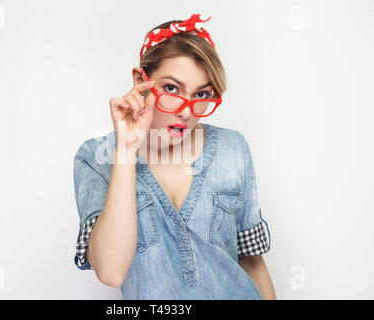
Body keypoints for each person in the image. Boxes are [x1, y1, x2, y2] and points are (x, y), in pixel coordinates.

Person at [73, 13, 276, 299]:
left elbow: (253, 262)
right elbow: (111, 271)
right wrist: (127, 150)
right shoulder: (97, 158)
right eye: (171, 88)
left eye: (201, 95)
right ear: (140, 81)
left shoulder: (233, 148)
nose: (185, 110)